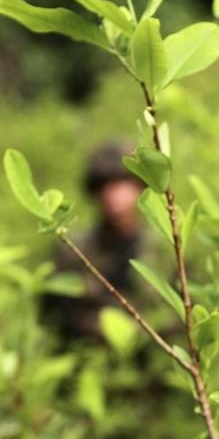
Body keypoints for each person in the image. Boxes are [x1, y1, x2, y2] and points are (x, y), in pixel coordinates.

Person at [43, 141, 145, 343]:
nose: (111, 195)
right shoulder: (73, 251)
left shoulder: (167, 252)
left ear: (140, 186)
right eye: (103, 186)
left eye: (119, 183)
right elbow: (52, 320)